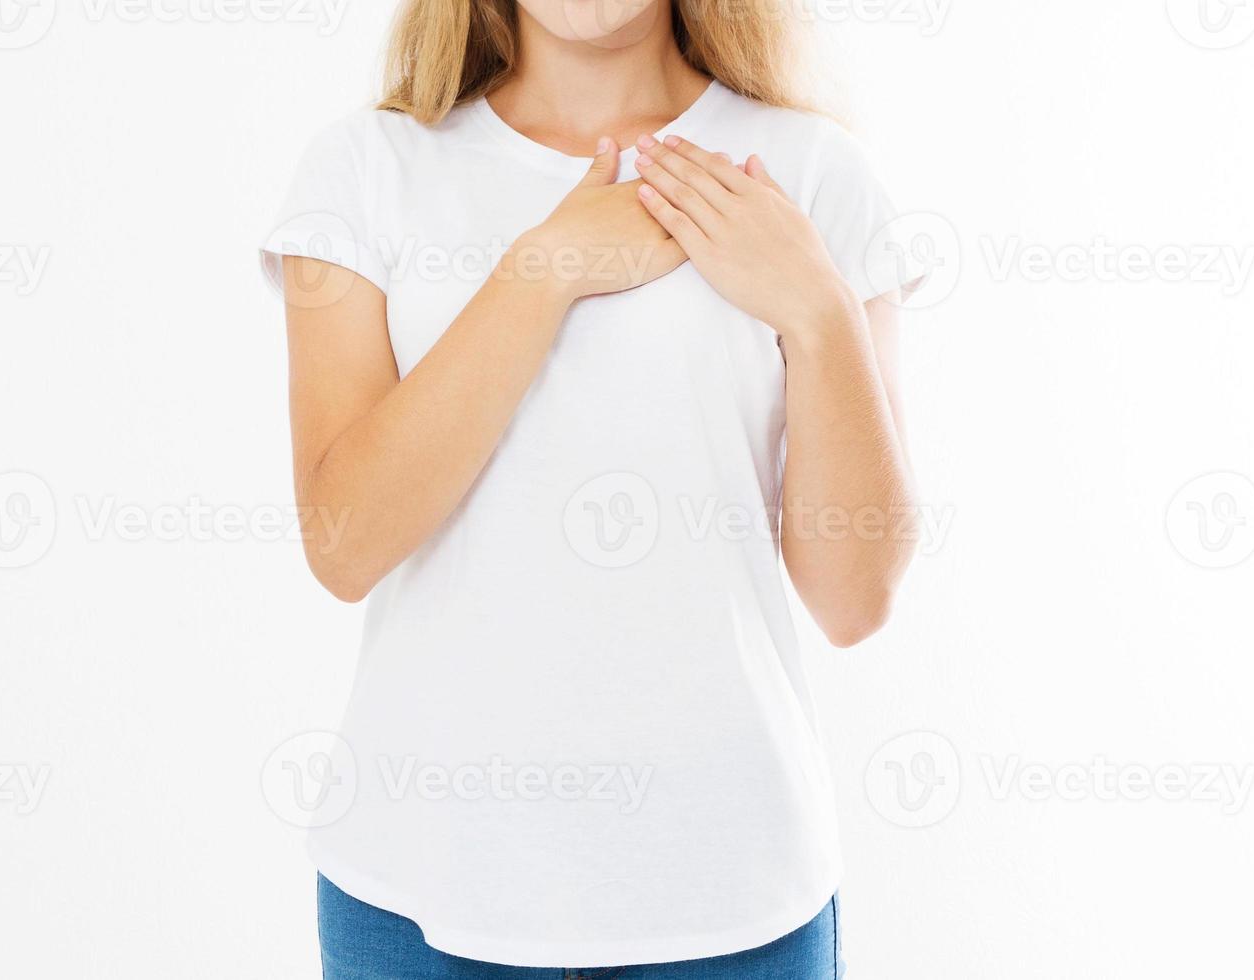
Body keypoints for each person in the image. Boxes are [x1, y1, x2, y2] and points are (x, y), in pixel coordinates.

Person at [260, 1, 921, 975]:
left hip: (733, 889)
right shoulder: (366, 168)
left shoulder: (813, 173)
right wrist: (546, 267)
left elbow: (853, 597)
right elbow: (343, 544)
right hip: (420, 880)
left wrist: (817, 313)